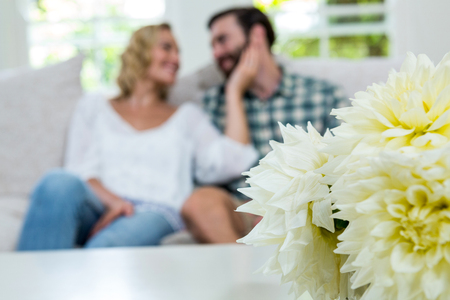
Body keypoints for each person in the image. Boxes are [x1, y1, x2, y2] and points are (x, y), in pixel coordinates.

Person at [17, 23, 258, 250]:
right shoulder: (93, 107)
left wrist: (234, 91)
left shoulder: (187, 117)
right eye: (166, 48)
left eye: (178, 52)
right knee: (56, 183)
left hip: (155, 211)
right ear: (140, 51)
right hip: (99, 206)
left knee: (106, 250)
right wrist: (115, 202)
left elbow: (230, 161)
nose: (176, 59)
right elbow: (80, 171)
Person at [181, 7, 349, 243]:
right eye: (213, 46)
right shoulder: (212, 103)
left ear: (257, 36)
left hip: (304, 205)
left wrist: (287, 204)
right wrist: (234, 92)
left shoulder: (323, 94)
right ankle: (241, 272)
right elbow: (206, 175)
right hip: (241, 210)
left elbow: (343, 163)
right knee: (198, 203)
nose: (216, 52)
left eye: (222, 40)